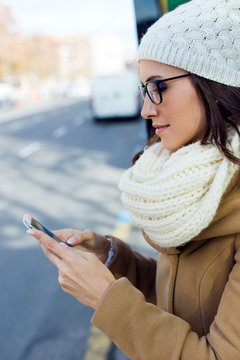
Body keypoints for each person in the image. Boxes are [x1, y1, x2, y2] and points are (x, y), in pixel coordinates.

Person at [27, 0, 240, 358]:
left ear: (214, 83)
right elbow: (184, 298)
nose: (146, 109)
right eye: (143, 89)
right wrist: (110, 258)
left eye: (159, 87)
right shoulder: (186, 182)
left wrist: (106, 298)